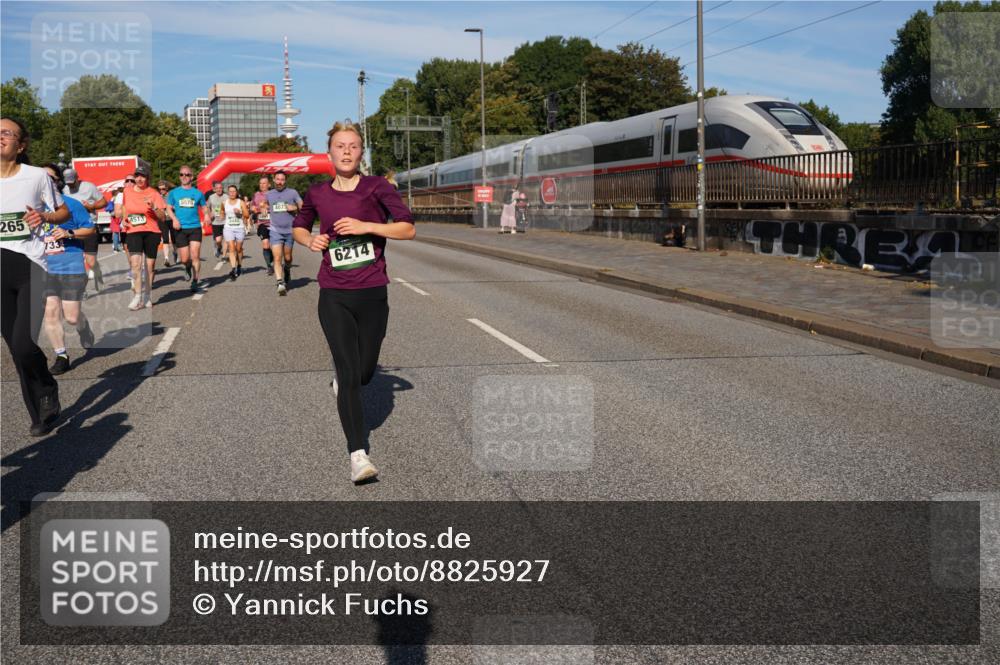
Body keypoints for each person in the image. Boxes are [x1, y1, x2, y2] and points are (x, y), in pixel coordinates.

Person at [292, 120, 416, 483]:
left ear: (361, 152)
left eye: (353, 146)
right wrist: (307, 240)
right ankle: (357, 454)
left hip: (373, 292)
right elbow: (300, 225)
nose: (346, 151)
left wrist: (368, 227)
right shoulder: (317, 193)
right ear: (328, 153)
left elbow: (408, 228)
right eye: (340, 146)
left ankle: (347, 381)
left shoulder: (377, 188)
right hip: (334, 294)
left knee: (363, 374)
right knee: (348, 374)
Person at [1, 117, 69, 436]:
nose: (0, 137)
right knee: (15, 349)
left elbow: (63, 212)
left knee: (24, 343)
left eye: (6, 133)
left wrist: (44, 215)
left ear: (21, 144)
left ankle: (47, 385)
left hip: (31, 265)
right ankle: (38, 414)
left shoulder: (37, 176)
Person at [41, 164, 97, 374]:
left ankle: (84, 327)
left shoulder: (71, 205)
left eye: (49, 177)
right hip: (44, 267)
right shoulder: (32, 207)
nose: (44, 181)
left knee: (72, 317)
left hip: (71, 265)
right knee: (51, 313)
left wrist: (69, 234)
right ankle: (61, 355)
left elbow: (89, 228)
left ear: (58, 182)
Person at [116, 164, 166, 310]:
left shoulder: (154, 193)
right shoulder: (127, 191)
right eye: (137, 176)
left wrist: (154, 207)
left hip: (152, 231)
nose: (139, 179)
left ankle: (147, 295)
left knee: (149, 267)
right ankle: (137, 297)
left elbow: (162, 217)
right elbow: (124, 208)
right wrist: (124, 219)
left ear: (147, 178)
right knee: (136, 264)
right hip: (133, 231)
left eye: (142, 176)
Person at [62, 167, 106, 292]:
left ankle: (96, 269)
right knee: (76, 262)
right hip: (71, 229)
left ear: (77, 178)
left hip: (88, 227)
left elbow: (104, 202)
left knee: (91, 262)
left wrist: (91, 206)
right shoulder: (64, 190)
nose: (70, 185)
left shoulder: (89, 187)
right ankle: (83, 290)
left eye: (72, 182)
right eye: (68, 183)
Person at [165, 165, 207, 293]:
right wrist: (174, 219)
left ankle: (195, 281)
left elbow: (204, 207)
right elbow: (168, 208)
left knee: (195, 255)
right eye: (182, 174)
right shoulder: (174, 193)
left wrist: (206, 215)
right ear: (179, 177)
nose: (184, 177)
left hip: (195, 227)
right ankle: (187, 267)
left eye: (187, 175)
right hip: (180, 229)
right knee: (184, 259)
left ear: (192, 177)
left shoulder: (198, 193)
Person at [266, 170, 302, 295]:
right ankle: (280, 282)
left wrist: (295, 208)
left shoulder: (293, 193)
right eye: (278, 179)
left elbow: (303, 206)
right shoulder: (269, 194)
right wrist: (261, 208)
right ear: (274, 180)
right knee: (277, 257)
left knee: (287, 257)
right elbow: (263, 206)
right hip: (275, 230)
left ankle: (287, 269)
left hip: (290, 231)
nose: (280, 182)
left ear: (285, 180)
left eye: (282, 179)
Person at [222, 184, 249, 280]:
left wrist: (240, 212)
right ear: (228, 192)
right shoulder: (224, 202)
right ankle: (233, 269)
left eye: (234, 191)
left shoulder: (240, 202)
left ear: (236, 192)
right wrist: (221, 216)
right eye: (230, 191)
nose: (232, 193)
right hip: (228, 228)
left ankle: (239, 265)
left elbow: (247, 215)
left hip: (239, 228)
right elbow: (222, 212)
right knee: (231, 248)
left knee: (239, 249)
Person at [252, 175, 274, 275]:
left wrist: (267, 206)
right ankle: (269, 266)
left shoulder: (274, 194)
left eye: (264, 183)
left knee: (273, 246)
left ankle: (273, 258)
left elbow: (279, 205)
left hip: (274, 223)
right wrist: (253, 208)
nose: (262, 185)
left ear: (269, 184)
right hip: (262, 223)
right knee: (265, 244)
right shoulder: (256, 195)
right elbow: (252, 205)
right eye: (260, 183)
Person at [156, 180, 176, 266]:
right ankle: (166, 259)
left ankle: (175, 253)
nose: (161, 191)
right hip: (163, 220)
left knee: (174, 239)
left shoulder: (171, 196)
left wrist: (170, 207)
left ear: (167, 188)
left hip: (172, 219)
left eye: (163, 189)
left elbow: (176, 206)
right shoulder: (158, 197)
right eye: (159, 189)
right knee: (165, 239)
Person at [206, 180, 227, 260]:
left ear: (222, 188)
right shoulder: (211, 197)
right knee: (218, 240)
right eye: (217, 188)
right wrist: (209, 214)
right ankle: (219, 247)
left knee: (226, 239)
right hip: (215, 221)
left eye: (220, 188)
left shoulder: (226, 197)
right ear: (214, 189)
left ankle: (224, 255)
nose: (219, 189)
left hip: (225, 221)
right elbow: (207, 206)